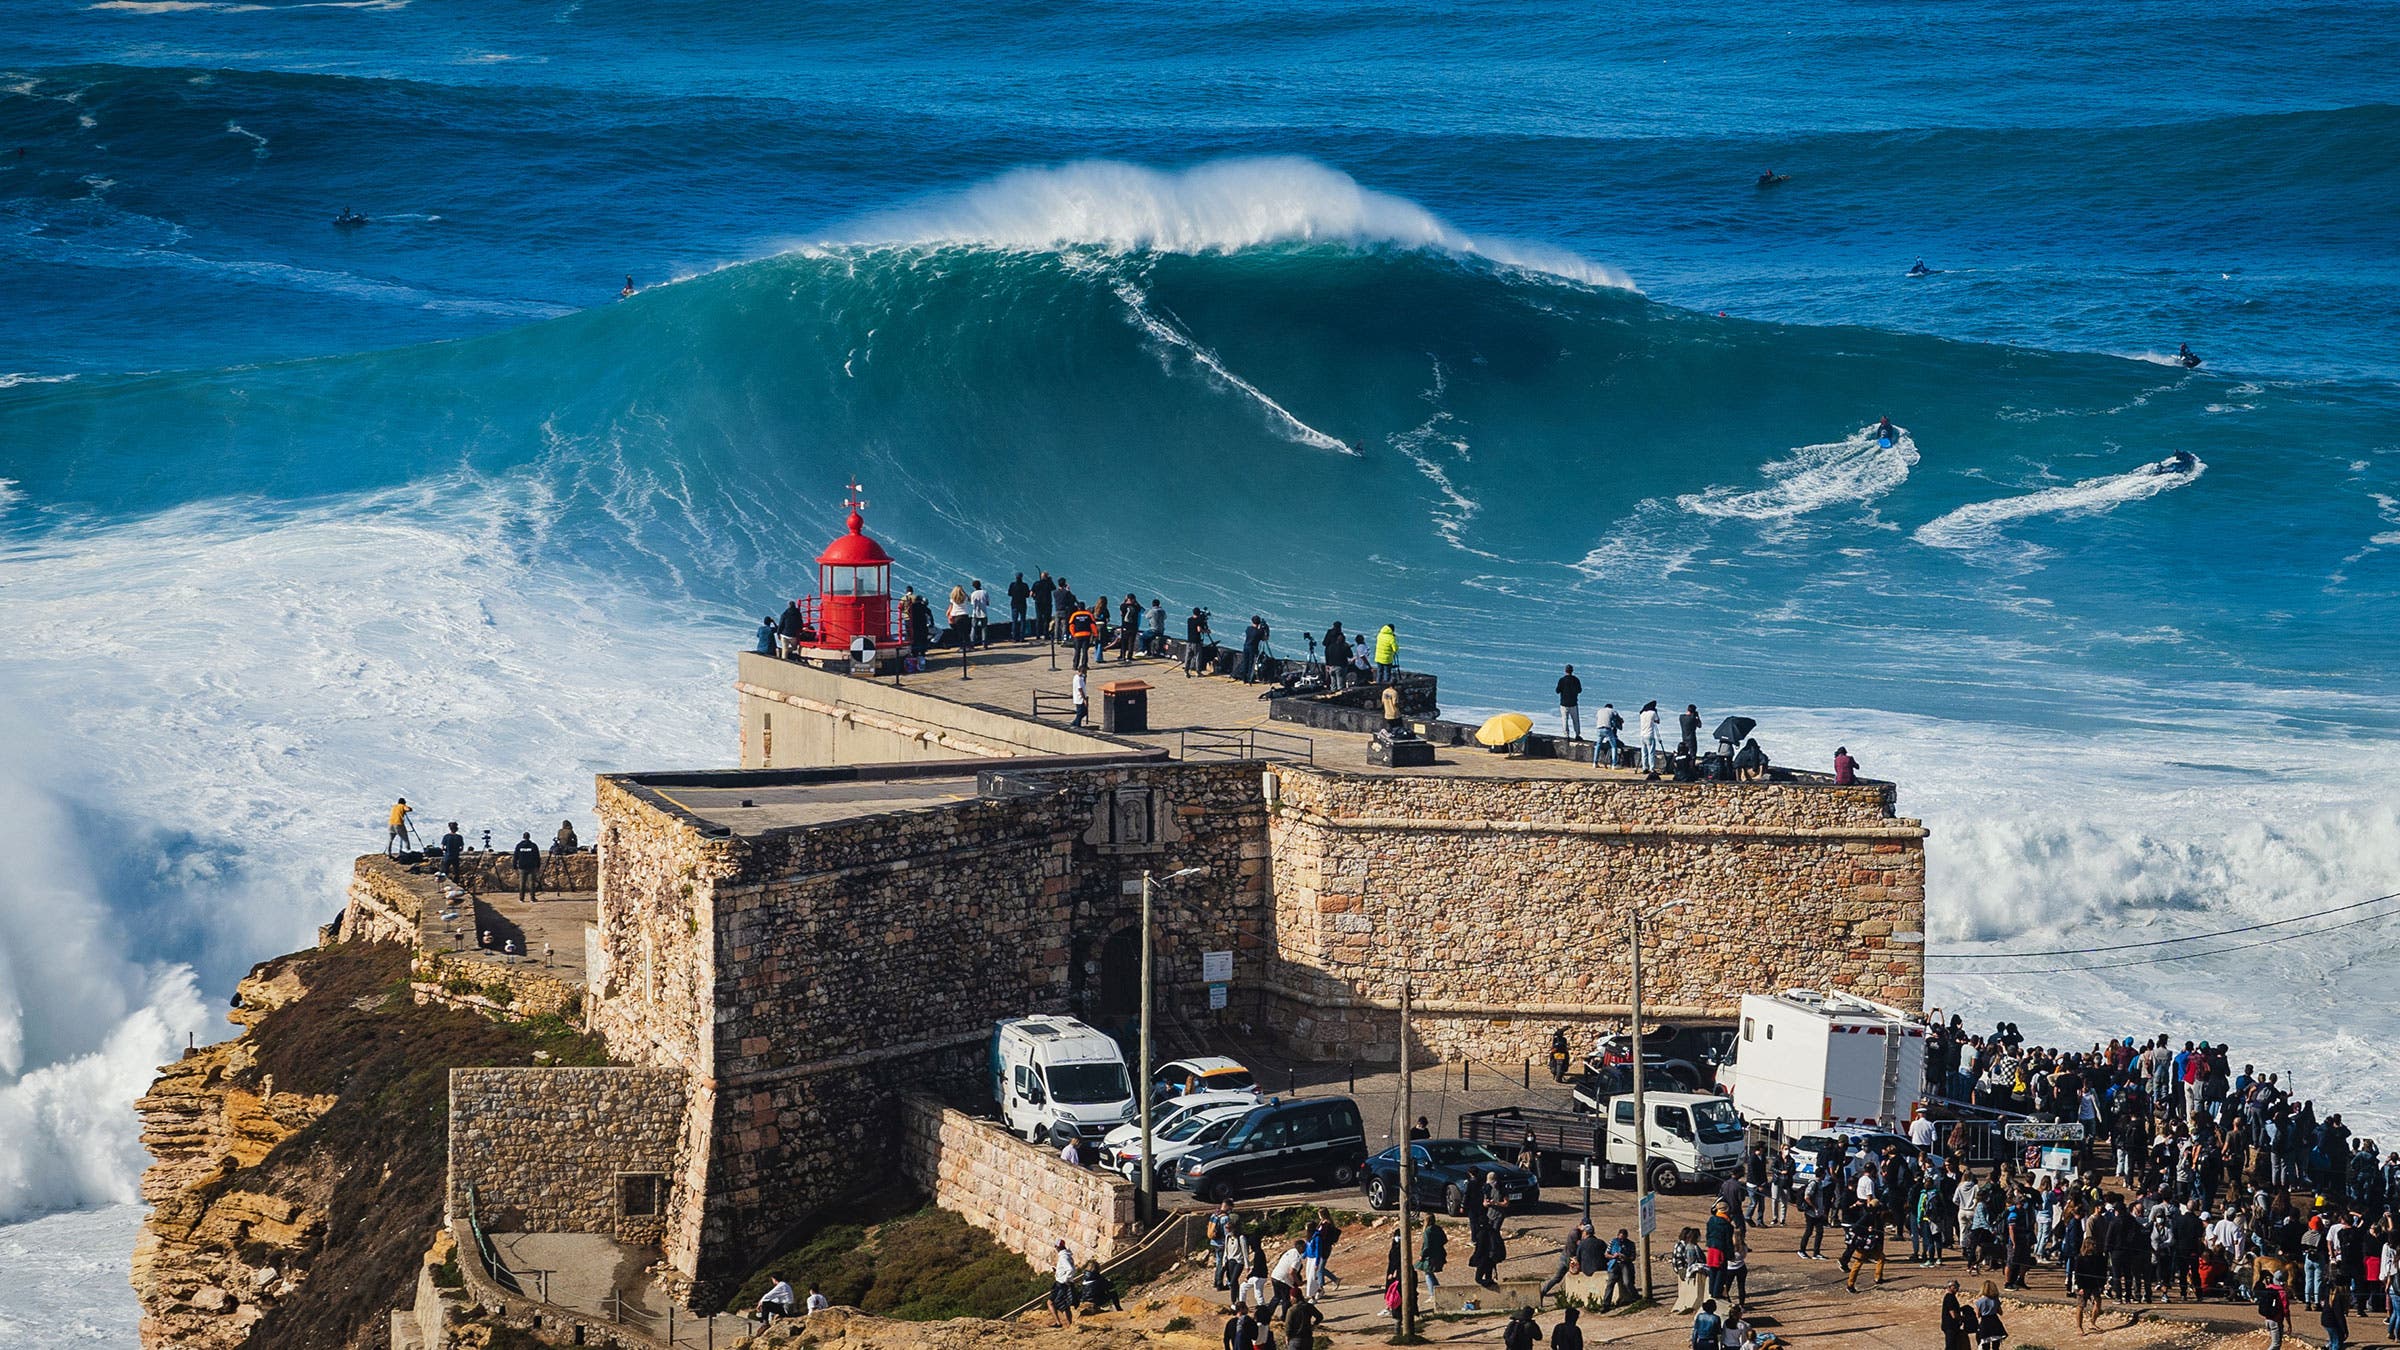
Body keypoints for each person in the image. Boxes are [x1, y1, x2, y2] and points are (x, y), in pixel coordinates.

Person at [2259, 1268, 2291, 1350]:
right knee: (2275, 1345)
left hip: (2268, 1320)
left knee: (2277, 1343)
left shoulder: (2269, 1288)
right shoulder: (2282, 1293)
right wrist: (2289, 1324)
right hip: (2276, 1321)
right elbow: (2285, 1310)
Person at [1940, 1280, 1975, 1350]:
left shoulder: (1951, 1297)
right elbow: (1953, 1314)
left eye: (1957, 1286)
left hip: (1951, 1326)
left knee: (1955, 1345)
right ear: (1949, 1287)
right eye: (1955, 1286)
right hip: (1950, 1326)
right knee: (1951, 1346)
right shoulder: (1950, 1298)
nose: (1957, 1288)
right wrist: (1963, 1318)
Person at [1973, 1278, 2007, 1350]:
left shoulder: (1979, 1302)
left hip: (1985, 1322)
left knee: (1985, 1345)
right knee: (1996, 1345)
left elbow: (1978, 1315)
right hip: (1995, 1321)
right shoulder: (1996, 1300)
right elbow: (2000, 1312)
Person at [1049, 1241, 1077, 1327]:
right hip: (1062, 1282)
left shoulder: (1064, 1257)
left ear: (1057, 1247)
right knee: (1056, 1303)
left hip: (1062, 1283)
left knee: (1058, 1303)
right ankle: (1064, 1323)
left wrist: (1064, 1279)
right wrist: (1057, 1271)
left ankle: (1064, 1323)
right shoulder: (1067, 1255)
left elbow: (1070, 1270)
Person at [511, 831, 542, 901]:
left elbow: (515, 856)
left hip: (522, 867)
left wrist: (514, 866)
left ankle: (521, 898)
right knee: (531, 883)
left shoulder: (519, 846)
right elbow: (537, 857)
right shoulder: (533, 845)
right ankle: (532, 898)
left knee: (522, 883)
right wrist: (538, 866)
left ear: (523, 837)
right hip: (531, 867)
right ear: (529, 837)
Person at [1556, 665, 1583, 740]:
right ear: (1572, 671)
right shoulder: (1576, 680)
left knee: (1565, 720)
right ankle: (1577, 735)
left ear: (1565, 671)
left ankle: (1566, 735)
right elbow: (1580, 690)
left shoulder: (1562, 680)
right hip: (1573, 703)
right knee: (1576, 720)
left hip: (1564, 703)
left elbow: (1557, 691)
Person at [1595, 702, 1623, 768]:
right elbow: (1618, 718)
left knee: (1598, 745)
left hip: (1599, 729)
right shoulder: (1612, 711)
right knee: (1614, 746)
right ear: (1611, 707)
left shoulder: (1600, 711)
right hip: (1607, 729)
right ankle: (1614, 764)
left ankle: (1595, 762)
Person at [1031, 571, 1056, 639]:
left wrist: (1035, 598)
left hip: (1038, 603)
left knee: (1039, 619)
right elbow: (1054, 588)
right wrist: (1050, 580)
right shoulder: (1049, 583)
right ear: (1046, 577)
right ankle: (1046, 635)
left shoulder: (1036, 583)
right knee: (1046, 619)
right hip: (1047, 603)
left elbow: (1031, 593)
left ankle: (1038, 635)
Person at [968, 579, 989, 648]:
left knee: (973, 628)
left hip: (975, 614)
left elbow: (972, 603)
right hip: (984, 613)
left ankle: (972, 643)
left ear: (973, 586)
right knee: (984, 628)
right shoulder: (985, 592)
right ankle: (984, 644)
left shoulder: (973, 594)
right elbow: (987, 603)